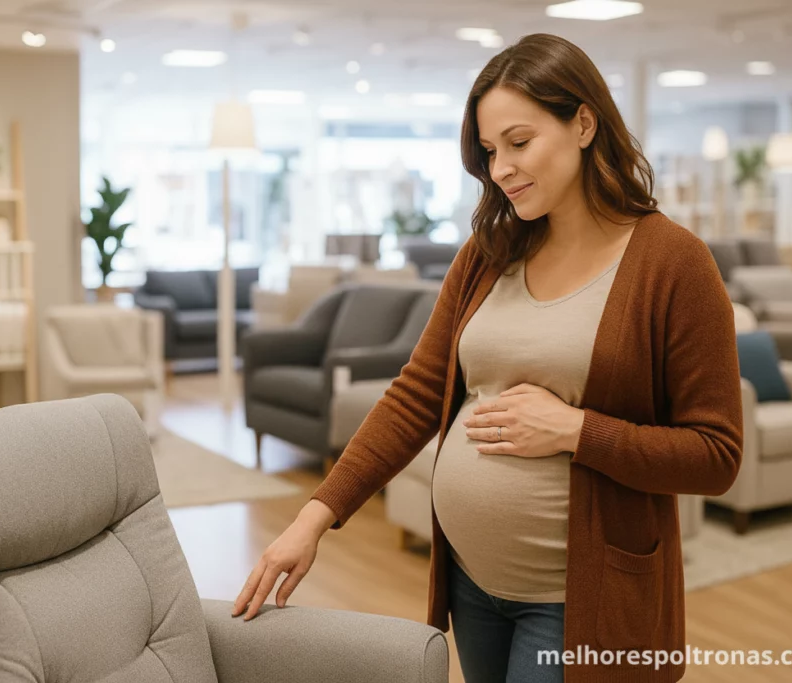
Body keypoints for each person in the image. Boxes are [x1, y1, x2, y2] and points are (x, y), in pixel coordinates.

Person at [233, 33, 743, 683]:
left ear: (584, 123)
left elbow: (717, 453)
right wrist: (316, 515)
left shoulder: (673, 263)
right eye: (491, 150)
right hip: (472, 583)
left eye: (520, 142)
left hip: (579, 600)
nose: (501, 167)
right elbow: (418, 391)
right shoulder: (488, 250)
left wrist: (576, 430)